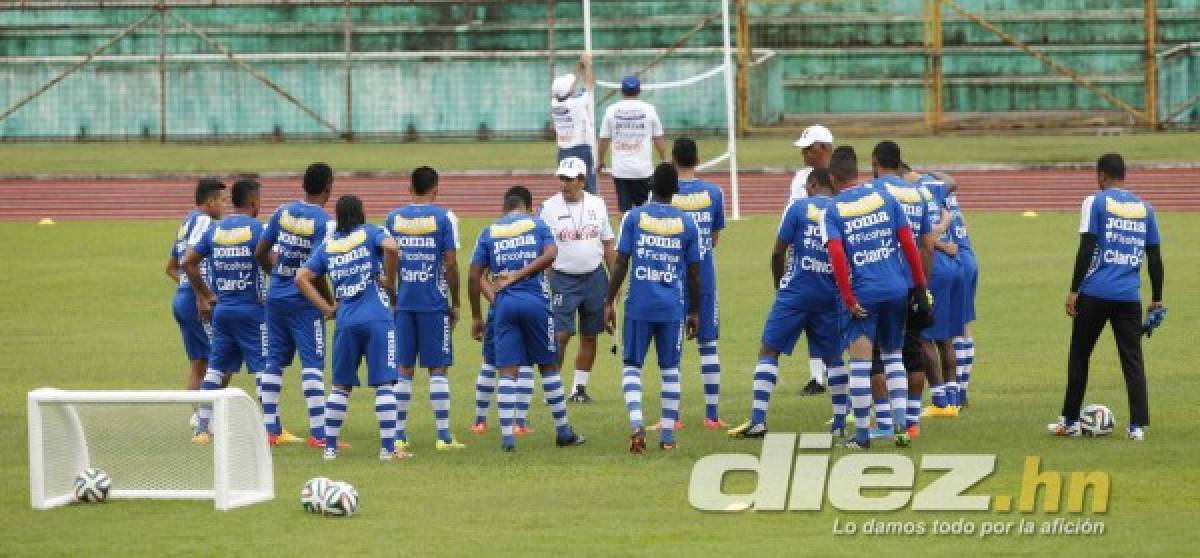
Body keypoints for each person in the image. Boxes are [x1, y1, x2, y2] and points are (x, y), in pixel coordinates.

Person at [823, 146, 931, 450]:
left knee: (860, 363)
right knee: (894, 356)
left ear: (832, 177)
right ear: (857, 172)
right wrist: (920, 287)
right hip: (897, 288)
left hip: (863, 293)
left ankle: (860, 436)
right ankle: (900, 427)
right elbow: (909, 243)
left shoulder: (833, 209)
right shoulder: (885, 198)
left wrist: (847, 297)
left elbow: (836, 253)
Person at [1050, 153, 1163, 441]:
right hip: (1129, 297)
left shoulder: (1095, 202)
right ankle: (1137, 426)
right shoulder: (1145, 209)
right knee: (1132, 359)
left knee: (1080, 355)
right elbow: (1154, 257)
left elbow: (1087, 247)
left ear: (1101, 175)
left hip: (1095, 293)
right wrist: (1157, 298)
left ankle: (1070, 421)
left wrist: (1074, 289)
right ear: (1124, 174)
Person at [728, 168, 848, 439]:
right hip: (830, 293)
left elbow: (777, 252)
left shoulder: (798, 209)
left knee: (769, 350)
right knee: (833, 356)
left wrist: (778, 284)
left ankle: (758, 419)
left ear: (814, 183)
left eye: (807, 185)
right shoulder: (841, 210)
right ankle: (841, 421)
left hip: (795, 292)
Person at [468, 185, 586, 452]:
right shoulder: (537, 225)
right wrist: (521, 274)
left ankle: (508, 439)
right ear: (528, 209)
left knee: (507, 372)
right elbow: (552, 253)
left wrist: (480, 312)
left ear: (504, 209)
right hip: (535, 303)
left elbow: (475, 277)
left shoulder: (489, 232)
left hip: (505, 306)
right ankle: (563, 432)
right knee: (548, 367)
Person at [295, 195, 404, 460]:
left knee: (341, 387)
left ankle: (330, 448)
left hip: (345, 320)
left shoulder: (329, 246)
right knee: (385, 386)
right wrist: (390, 280)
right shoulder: (370, 233)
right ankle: (388, 449)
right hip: (377, 317)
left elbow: (301, 278)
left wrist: (326, 308)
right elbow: (392, 247)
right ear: (362, 213)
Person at [605, 163, 702, 453]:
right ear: (676, 190)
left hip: (639, 305)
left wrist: (608, 300)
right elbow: (695, 272)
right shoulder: (687, 223)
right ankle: (668, 437)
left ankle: (636, 423)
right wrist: (695, 312)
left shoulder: (634, 218)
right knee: (670, 370)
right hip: (672, 306)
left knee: (632, 366)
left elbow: (621, 262)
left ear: (650, 187)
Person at [383, 166, 465, 452]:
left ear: (409, 188)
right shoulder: (443, 218)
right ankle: (443, 436)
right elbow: (451, 263)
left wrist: (393, 295)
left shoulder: (393, 218)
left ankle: (398, 435)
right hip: (433, 302)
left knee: (404, 368)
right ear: (436, 188)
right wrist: (456, 303)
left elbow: (389, 262)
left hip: (404, 302)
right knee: (437, 368)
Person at [255, 163, 336, 448]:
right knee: (312, 365)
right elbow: (318, 268)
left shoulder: (282, 211)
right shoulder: (324, 223)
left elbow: (261, 252)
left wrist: (277, 276)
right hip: (303, 301)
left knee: (274, 361)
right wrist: (328, 302)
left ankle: (270, 430)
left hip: (275, 294)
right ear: (329, 187)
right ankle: (319, 433)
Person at [182, 179, 268, 443]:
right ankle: (271, 430)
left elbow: (187, 262)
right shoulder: (259, 229)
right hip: (252, 310)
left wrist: (207, 294)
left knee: (215, 369)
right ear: (254, 203)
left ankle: (202, 429)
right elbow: (271, 262)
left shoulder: (216, 231)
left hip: (223, 310)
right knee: (265, 370)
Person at [865, 141, 937, 442]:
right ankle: (911, 420)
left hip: (883, 281)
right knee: (913, 351)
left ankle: (884, 419)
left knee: (876, 353)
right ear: (900, 162)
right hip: (913, 282)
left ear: (874, 161)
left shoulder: (873, 192)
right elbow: (926, 244)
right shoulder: (917, 193)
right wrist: (923, 286)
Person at [539, 156, 616, 404]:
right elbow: (542, 249)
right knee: (561, 335)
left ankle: (579, 389)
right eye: (561, 178)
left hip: (595, 277)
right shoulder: (548, 207)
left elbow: (608, 244)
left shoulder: (598, 205)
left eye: (569, 179)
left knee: (591, 335)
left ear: (582, 180)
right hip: (562, 279)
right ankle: (553, 388)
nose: (564, 184)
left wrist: (614, 284)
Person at [670, 138, 728, 429]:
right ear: (698, 159)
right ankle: (712, 415)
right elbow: (714, 238)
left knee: (673, 347)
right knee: (708, 344)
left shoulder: (665, 193)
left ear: (672, 159)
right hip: (704, 276)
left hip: (671, 277)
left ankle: (673, 417)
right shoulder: (714, 192)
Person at [166, 179, 225, 398]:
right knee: (218, 362)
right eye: (222, 201)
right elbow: (186, 263)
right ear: (211, 202)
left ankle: (198, 419)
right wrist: (202, 295)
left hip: (183, 300)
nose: (225, 207)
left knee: (199, 365)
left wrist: (186, 285)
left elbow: (171, 267)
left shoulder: (186, 223)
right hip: (195, 303)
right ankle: (205, 419)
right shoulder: (203, 221)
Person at [788, 125, 835, 396]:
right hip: (807, 253)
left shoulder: (838, 175)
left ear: (825, 149)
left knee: (835, 315)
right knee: (812, 315)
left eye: (810, 148)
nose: (805, 153)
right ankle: (817, 375)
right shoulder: (800, 178)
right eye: (804, 148)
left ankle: (833, 371)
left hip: (834, 252)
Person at [597, 75, 667, 212]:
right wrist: (664, 158)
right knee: (646, 210)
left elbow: (604, 139)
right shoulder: (649, 109)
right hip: (643, 170)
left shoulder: (611, 110)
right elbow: (658, 137)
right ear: (639, 91)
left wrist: (600, 160)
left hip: (620, 169)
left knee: (624, 211)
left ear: (621, 91)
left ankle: (626, 233)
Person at [551, 54, 598, 195]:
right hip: (580, 149)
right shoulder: (576, 103)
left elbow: (569, 87)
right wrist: (588, 65)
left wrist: (578, 68)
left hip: (563, 151)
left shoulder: (554, 103)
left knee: (567, 187)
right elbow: (590, 84)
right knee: (587, 187)